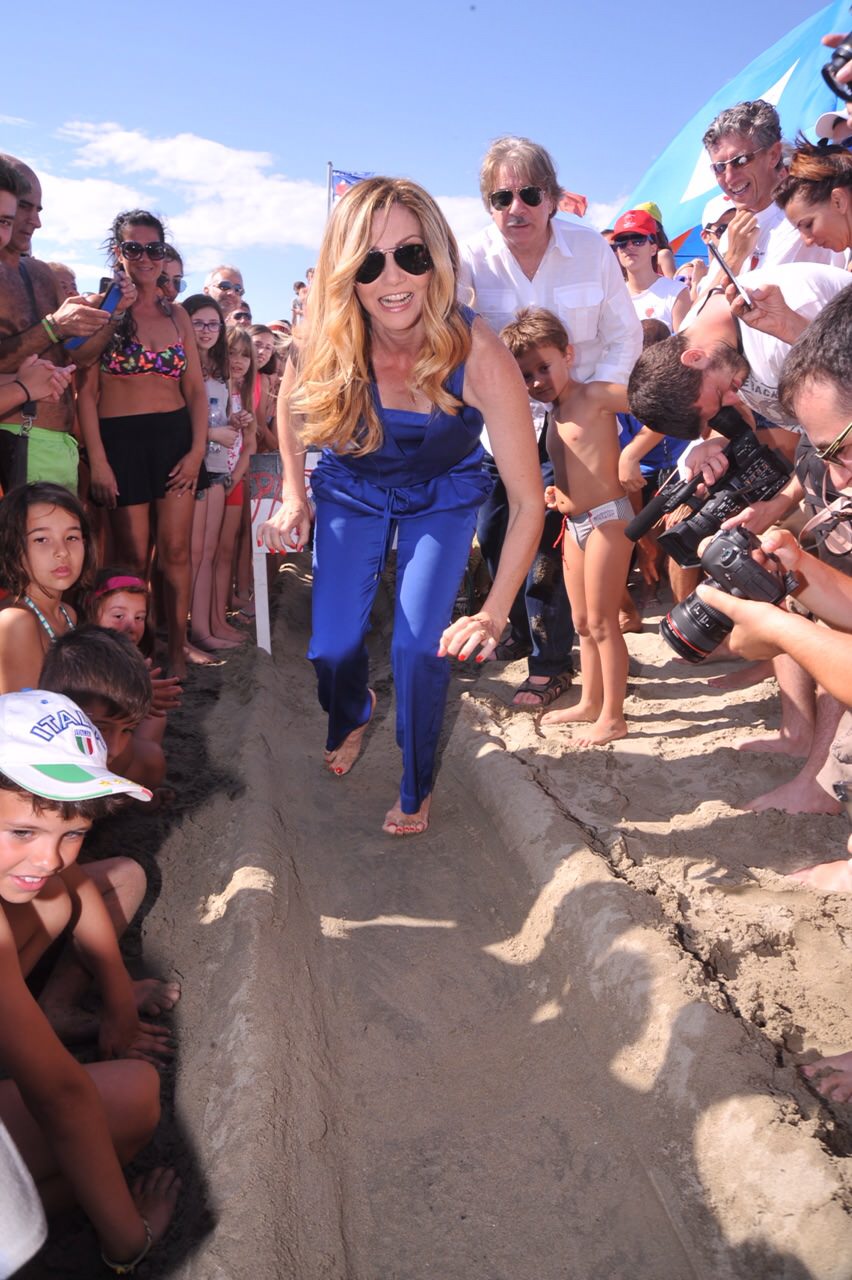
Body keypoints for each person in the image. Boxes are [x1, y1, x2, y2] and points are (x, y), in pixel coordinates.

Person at [260, 177, 543, 836]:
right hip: (351, 489)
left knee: (421, 649)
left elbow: (529, 501)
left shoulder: (479, 350)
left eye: (411, 255)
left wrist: (496, 611)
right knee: (330, 648)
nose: (393, 278)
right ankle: (354, 709)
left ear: (436, 259)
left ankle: (416, 787)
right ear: (345, 272)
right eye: (369, 261)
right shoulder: (325, 339)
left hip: (441, 497)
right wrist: (292, 493)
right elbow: (287, 403)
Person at [0, 688, 179, 1271]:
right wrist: (132, 1241)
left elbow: (70, 890)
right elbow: (60, 1098)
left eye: (72, 833)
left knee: (55, 893)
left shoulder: (44, 876)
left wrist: (119, 1000)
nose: (50, 858)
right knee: (134, 1098)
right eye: (24, 833)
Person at [459, 135, 641, 707]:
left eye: (529, 193)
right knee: (495, 533)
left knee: (553, 542)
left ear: (553, 198)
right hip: (499, 425)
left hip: (576, 422)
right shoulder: (467, 259)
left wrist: (587, 401)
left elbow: (623, 333)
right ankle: (523, 628)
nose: (516, 207)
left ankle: (550, 663)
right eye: (500, 196)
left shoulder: (591, 249)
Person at [76, 211, 209, 678]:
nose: (146, 258)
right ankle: (135, 652)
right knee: (130, 557)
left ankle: (174, 650)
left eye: (154, 249)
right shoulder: (101, 308)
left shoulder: (177, 316)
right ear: (119, 253)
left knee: (175, 552)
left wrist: (196, 452)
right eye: (135, 248)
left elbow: (195, 390)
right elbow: (86, 393)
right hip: (120, 443)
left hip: (174, 440)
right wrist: (99, 462)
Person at [502, 308, 633, 746]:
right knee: (580, 622)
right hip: (575, 523)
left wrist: (634, 456)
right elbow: (575, 465)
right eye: (527, 375)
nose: (537, 380)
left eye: (544, 367)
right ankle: (591, 702)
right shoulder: (554, 414)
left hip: (610, 519)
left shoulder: (594, 395)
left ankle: (613, 716)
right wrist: (558, 494)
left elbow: (655, 406)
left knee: (602, 622)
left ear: (568, 354)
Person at [0, 156, 133, 491]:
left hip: (59, 442)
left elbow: (78, 356)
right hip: (14, 438)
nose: (35, 221)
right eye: (25, 208)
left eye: (39, 210)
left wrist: (113, 311)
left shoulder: (41, 273)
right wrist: (53, 326)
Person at [627, 261, 852, 440]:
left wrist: (798, 334)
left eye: (719, 393)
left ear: (695, 357)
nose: (734, 399)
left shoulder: (784, 315)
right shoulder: (696, 331)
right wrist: (716, 440)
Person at [701, 99, 845, 290]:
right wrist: (733, 258)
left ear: (774, 155)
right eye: (719, 167)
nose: (729, 178)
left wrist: (733, 260)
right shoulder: (732, 233)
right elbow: (699, 316)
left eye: (741, 161)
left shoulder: (813, 218)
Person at [184, 294, 252, 652]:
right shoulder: (181, 363)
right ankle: (197, 628)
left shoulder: (220, 369)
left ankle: (212, 622)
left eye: (213, 324)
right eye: (199, 323)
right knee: (196, 553)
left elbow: (219, 415)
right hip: (190, 467)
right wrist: (211, 434)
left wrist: (236, 421)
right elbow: (172, 419)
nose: (207, 330)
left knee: (208, 551)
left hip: (214, 466)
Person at [0, 482, 96, 693]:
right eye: (41, 539)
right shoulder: (16, 623)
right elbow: (26, 721)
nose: (62, 552)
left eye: (71, 537)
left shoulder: (66, 613)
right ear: (12, 548)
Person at [611, 210, 690, 331]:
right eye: (622, 242)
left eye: (638, 240)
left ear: (653, 249)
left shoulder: (677, 292)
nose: (630, 246)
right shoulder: (611, 297)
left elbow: (684, 345)